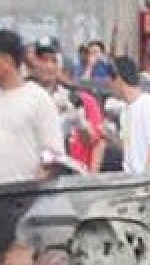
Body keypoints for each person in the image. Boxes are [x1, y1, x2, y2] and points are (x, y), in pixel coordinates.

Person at [0, 29, 64, 187]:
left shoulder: (38, 98)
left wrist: (33, 190)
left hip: (30, 200)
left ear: (7, 61)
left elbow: (52, 153)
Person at [31, 37, 105, 173]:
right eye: (43, 60)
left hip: (65, 174)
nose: (48, 66)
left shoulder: (73, 98)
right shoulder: (26, 96)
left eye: (53, 61)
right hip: (30, 173)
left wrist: (78, 120)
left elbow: (93, 140)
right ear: (34, 63)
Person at [109, 56, 150, 175]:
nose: (109, 85)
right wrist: (110, 136)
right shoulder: (125, 110)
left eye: (111, 80)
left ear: (119, 80)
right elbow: (129, 148)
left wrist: (144, 181)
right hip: (131, 181)